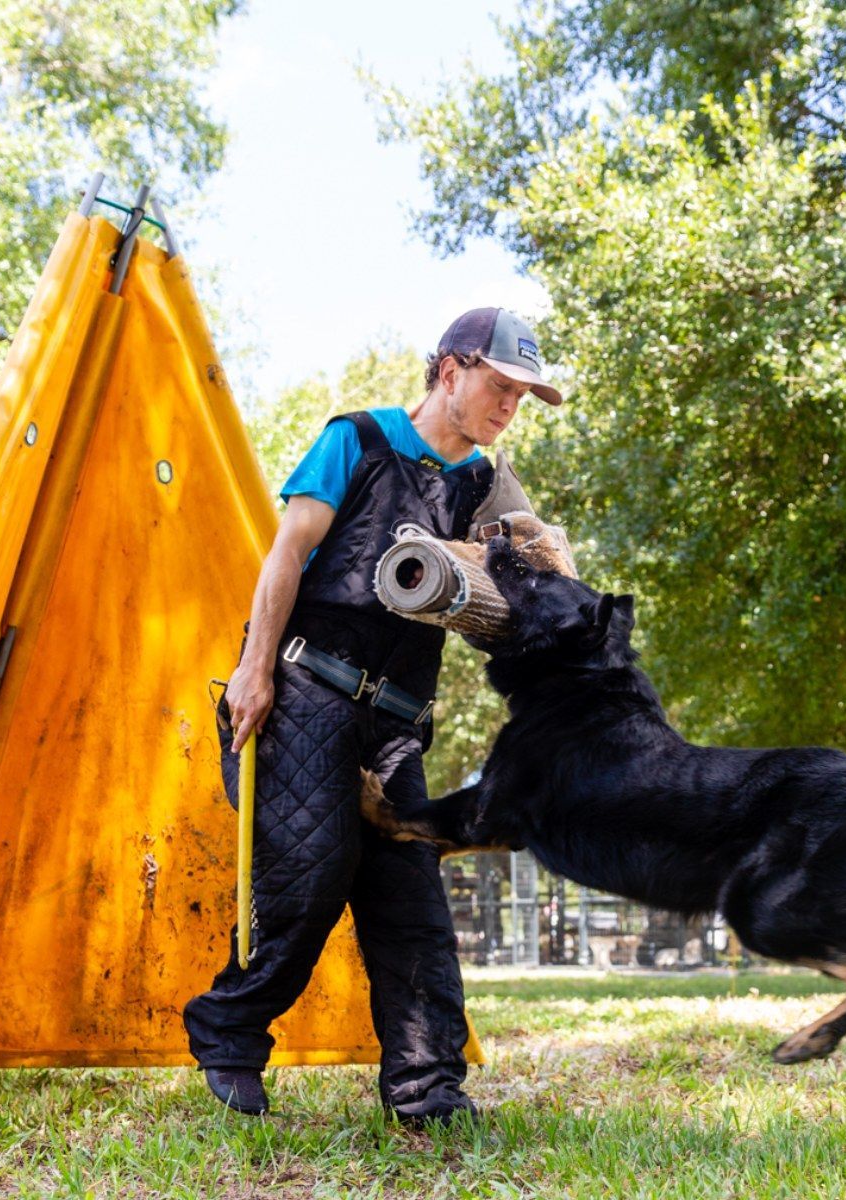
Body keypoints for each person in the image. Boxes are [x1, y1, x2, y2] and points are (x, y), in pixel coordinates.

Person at [182, 307, 563, 1123]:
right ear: (452, 370)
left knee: (411, 906)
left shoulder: (485, 484)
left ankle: (428, 1094)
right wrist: (252, 673)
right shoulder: (354, 438)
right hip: (305, 692)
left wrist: (529, 559)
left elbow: (546, 574)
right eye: (501, 385)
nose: (510, 406)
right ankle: (230, 1030)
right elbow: (287, 551)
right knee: (310, 877)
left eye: (524, 395)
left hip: (396, 723)